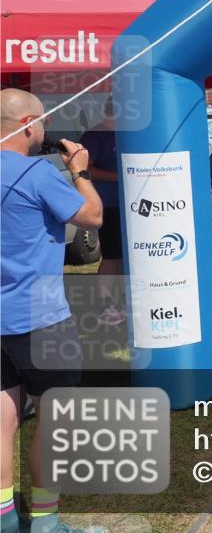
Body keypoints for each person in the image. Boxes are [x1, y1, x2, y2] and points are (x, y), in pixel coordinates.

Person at [1, 88, 103, 533]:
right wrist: (78, 171)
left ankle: (5, 517)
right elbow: (93, 217)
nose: (45, 129)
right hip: (41, 319)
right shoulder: (35, 175)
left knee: (3, 417)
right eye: (42, 121)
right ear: (27, 125)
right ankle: (45, 521)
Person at [79, 97, 125, 326]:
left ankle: (118, 303)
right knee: (112, 256)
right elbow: (86, 170)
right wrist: (121, 177)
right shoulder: (94, 135)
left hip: (129, 204)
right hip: (107, 203)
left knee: (123, 257)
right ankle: (105, 305)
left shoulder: (125, 133)